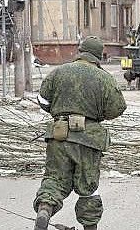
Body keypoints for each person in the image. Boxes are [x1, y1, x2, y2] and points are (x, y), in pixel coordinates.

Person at [33, 36, 127, 230]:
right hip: (89, 138)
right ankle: (90, 227)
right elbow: (118, 108)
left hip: (59, 134)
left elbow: (42, 100)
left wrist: (59, 112)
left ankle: (45, 209)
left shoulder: (58, 72)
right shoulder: (104, 78)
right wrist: (98, 115)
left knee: (55, 178)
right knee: (87, 186)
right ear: (98, 56)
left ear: (80, 51)